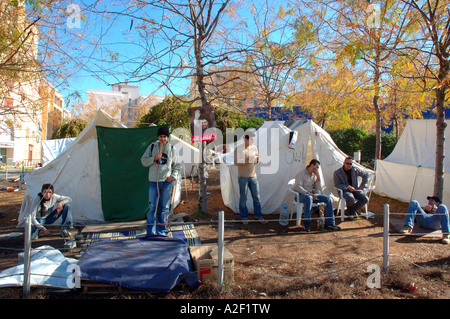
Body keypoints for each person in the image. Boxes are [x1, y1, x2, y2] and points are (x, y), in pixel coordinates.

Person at [141, 126, 180, 236]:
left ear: (167, 137)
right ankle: (151, 232)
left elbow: (176, 166)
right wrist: (154, 158)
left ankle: (162, 231)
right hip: (154, 182)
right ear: (158, 137)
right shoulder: (152, 146)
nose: (163, 139)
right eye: (161, 136)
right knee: (152, 207)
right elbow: (143, 161)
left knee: (165, 208)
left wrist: (173, 176)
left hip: (167, 183)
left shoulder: (172, 149)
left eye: (165, 136)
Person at [294, 159, 341, 231]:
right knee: (308, 198)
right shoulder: (301, 173)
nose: (317, 169)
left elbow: (316, 188)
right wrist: (308, 193)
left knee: (327, 199)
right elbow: (297, 187)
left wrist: (318, 177)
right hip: (300, 195)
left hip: (311, 194)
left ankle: (330, 223)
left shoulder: (313, 175)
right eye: (317, 167)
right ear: (312, 165)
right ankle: (307, 223)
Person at [234, 131, 266, 224]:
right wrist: (247, 159)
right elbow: (236, 162)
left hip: (253, 176)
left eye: (253, 140)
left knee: (257, 197)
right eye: (251, 139)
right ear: (245, 139)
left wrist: (257, 159)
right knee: (243, 197)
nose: (252, 141)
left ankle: (259, 216)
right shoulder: (239, 148)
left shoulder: (254, 148)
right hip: (242, 176)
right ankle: (244, 217)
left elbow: (257, 160)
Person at [333, 156, 369, 220]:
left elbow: (366, 174)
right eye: (347, 163)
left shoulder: (355, 169)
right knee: (350, 199)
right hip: (344, 190)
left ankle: (350, 211)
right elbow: (337, 184)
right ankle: (352, 212)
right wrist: (348, 187)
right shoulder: (337, 172)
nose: (349, 165)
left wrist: (362, 185)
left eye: (350, 164)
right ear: (343, 163)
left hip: (355, 189)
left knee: (365, 199)